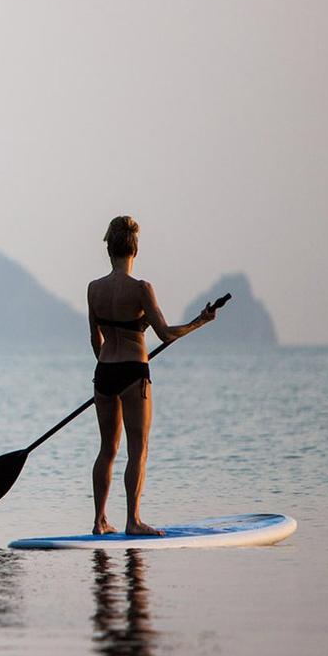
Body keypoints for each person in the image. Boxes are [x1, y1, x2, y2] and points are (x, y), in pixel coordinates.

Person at [88, 216, 217, 536]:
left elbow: (95, 340)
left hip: (104, 372)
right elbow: (165, 334)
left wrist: (107, 369)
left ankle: (100, 520)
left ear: (109, 249)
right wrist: (200, 322)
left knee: (107, 450)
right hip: (134, 372)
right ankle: (133, 520)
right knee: (137, 449)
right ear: (135, 250)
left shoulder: (94, 289)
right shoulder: (142, 289)